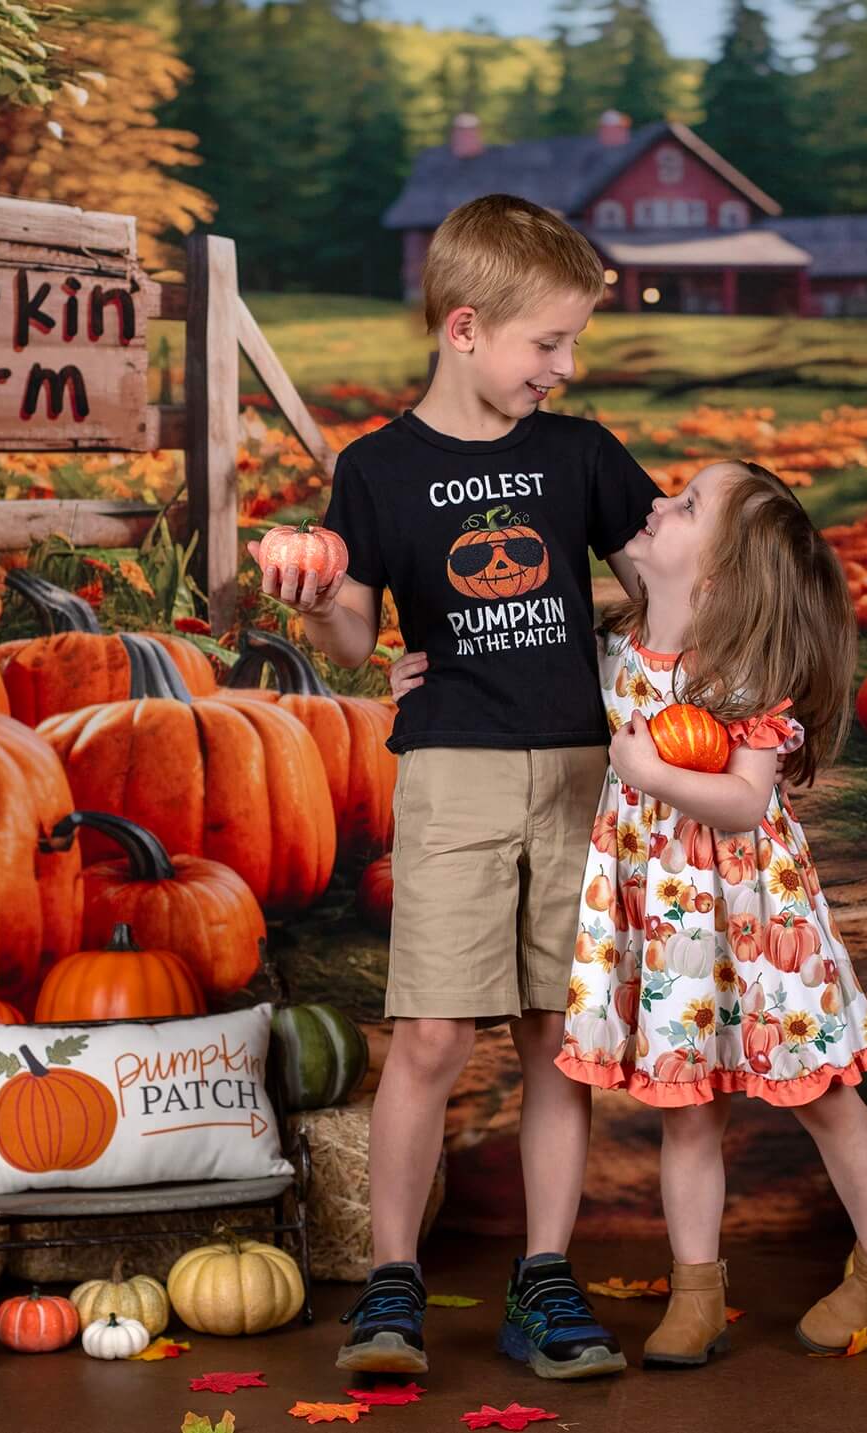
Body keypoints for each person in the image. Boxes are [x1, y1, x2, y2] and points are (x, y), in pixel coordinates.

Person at [260, 193, 660, 1381]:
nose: (565, 366)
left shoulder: (579, 454)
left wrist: (695, 663)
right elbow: (346, 630)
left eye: (573, 343)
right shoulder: (376, 469)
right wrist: (318, 587)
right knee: (431, 1032)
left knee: (552, 1034)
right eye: (550, 342)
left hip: (581, 772)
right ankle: (392, 1281)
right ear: (467, 329)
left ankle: (544, 1275)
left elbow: (666, 574)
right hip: (451, 767)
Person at [552, 458, 867, 1366]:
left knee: (824, 1089)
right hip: (670, 925)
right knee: (687, 1112)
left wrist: (659, 777)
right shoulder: (617, 647)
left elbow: (748, 800)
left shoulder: (743, 670)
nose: (658, 504)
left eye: (686, 505)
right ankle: (697, 1289)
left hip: (756, 920)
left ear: (716, 577)